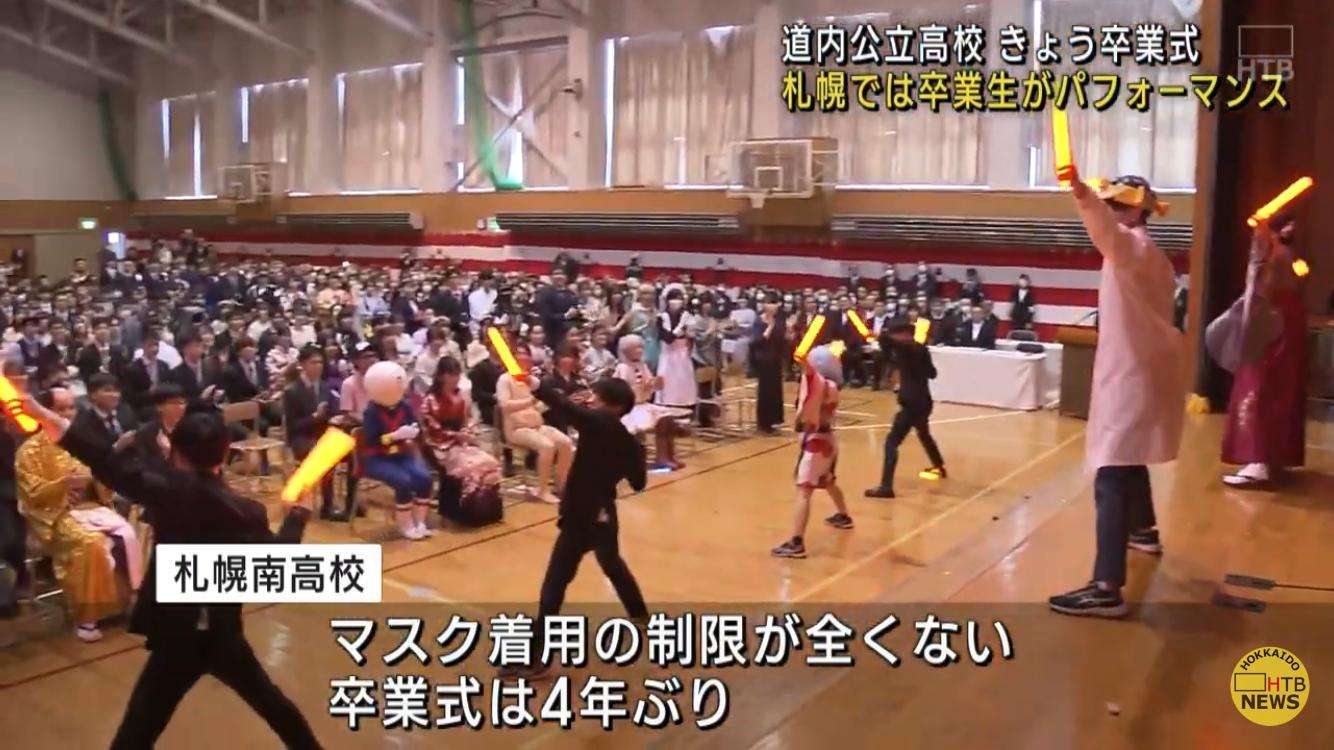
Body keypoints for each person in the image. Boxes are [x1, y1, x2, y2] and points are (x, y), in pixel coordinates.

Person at [22, 389, 320, 749]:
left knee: (138, 729)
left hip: (178, 635)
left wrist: (42, 413)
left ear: (175, 453)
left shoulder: (166, 491)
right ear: (226, 451)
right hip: (222, 633)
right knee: (275, 707)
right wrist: (298, 515)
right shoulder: (246, 512)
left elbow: (102, 456)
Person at [1048, 171, 1184, 618]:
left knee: (1111, 469)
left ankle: (1106, 586)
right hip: (1144, 368)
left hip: (1132, 372)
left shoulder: (1131, 249)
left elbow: (1104, 230)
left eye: (1115, 204)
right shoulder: (1153, 255)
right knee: (1130, 453)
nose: (1109, 210)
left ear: (1135, 210)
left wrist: (1081, 192)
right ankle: (1143, 530)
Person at [501, 375, 648, 680]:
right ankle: (640, 615)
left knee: (553, 587)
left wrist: (538, 386)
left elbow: (566, 407)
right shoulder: (628, 440)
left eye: (597, 396)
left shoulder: (599, 424)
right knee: (612, 564)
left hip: (582, 518)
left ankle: (537, 660)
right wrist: (629, 456)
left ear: (613, 405)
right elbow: (638, 482)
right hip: (604, 514)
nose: (590, 400)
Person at [18, 388, 141, 642]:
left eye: (71, 407)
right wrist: (62, 486)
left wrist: (93, 482)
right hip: (55, 513)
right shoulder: (29, 451)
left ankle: (125, 602)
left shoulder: (81, 441)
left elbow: (102, 473)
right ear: (44, 411)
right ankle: (88, 616)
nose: (67, 413)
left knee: (129, 533)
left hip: (91, 506)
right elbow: (31, 494)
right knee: (91, 543)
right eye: (60, 408)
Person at [1219, 220, 1308, 487]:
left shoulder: (1273, 255)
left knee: (1258, 386)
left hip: (1270, 322)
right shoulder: (1289, 255)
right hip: (1287, 320)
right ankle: (1274, 456)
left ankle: (1258, 459)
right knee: (1280, 388)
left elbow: (1264, 290)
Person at [772, 345, 854, 559]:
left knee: (804, 491)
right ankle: (843, 516)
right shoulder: (832, 386)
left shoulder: (816, 382)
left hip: (816, 443)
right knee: (828, 480)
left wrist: (800, 354)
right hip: (829, 441)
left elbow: (807, 368)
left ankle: (796, 542)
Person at [865, 321, 947, 499]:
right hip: (924, 402)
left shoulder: (905, 349)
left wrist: (880, 335)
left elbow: (886, 341)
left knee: (891, 443)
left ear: (905, 335)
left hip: (911, 404)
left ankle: (886, 487)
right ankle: (939, 466)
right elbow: (932, 373)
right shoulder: (921, 349)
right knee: (924, 433)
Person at [421, 356, 503, 526]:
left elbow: (469, 419)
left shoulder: (460, 396)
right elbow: (432, 429)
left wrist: (468, 432)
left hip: (461, 441)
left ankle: (482, 509)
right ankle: (464, 509)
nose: (455, 379)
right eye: (452, 375)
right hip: (439, 445)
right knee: (469, 468)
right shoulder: (429, 400)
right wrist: (457, 436)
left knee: (489, 462)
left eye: (457, 375)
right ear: (442, 376)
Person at [359, 361, 435, 540]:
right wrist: (393, 436)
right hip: (377, 459)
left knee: (424, 478)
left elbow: (414, 425)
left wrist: (414, 431)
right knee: (403, 481)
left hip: (401, 455)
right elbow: (371, 440)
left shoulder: (405, 406)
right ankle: (406, 526)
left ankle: (420, 523)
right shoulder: (371, 412)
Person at [496, 343, 573, 504]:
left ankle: (562, 485)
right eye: (520, 354)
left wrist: (550, 401)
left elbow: (539, 404)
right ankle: (542, 490)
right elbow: (504, 405)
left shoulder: (531, 380)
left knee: (566, 442)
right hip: (516, 429)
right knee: (547, 446)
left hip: (537, 425)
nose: (523, 357)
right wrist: (530, 401)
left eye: (526, 354)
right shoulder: (504, 379)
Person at [615, 334, 690, 470]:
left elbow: (651, 385)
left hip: (644, 404)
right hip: (631, 407)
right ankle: (661, 458)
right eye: (636, 348)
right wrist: (641, 388)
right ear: (627, 350)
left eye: (640, 347)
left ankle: (669, 455)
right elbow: (622, 391)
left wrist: (656, 383)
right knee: (660, 421)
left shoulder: (642, 365)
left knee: (667, 418)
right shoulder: (623, 368)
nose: (640, 350)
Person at [284, 346, 340, 520]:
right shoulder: (292, 391)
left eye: (320, 362)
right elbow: (293, 426)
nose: (318, 366)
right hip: (301, 438)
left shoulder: (324, 386)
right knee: (325, 456)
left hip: (321, 434)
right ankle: (325, 505)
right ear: (302, 364)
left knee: (348, 450)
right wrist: (315, 417)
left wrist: (336, 416)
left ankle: (348, 503)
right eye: (313, 362)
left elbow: (333, 411)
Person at [750, 292, 786, 433]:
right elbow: (755, 342)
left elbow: (781, 340)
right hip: (763, 361)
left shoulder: (779, 320)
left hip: (775, 360)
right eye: (770, 303)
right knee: (765, 392)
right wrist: (769, 328)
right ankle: (763, 423)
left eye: (775, 304)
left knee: (775, 392)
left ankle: (773, 421)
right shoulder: (759, 321)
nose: (773, 307)